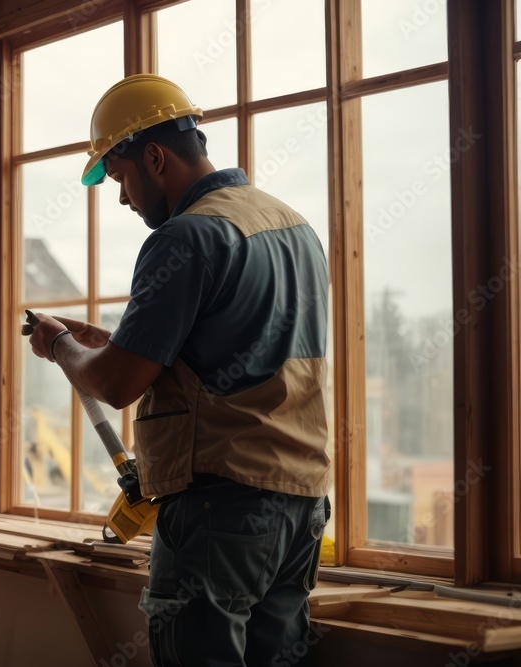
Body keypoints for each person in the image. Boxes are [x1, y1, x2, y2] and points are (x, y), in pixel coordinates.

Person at [26, 74, 331, 666]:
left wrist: (62, 345)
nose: (121, 197)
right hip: (300, 506)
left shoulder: (186, 236)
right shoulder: (292, 226)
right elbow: (239, 355)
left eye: (120, 177)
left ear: (156, 157)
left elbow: (115, 385)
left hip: (221, 509)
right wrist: (121, 344)